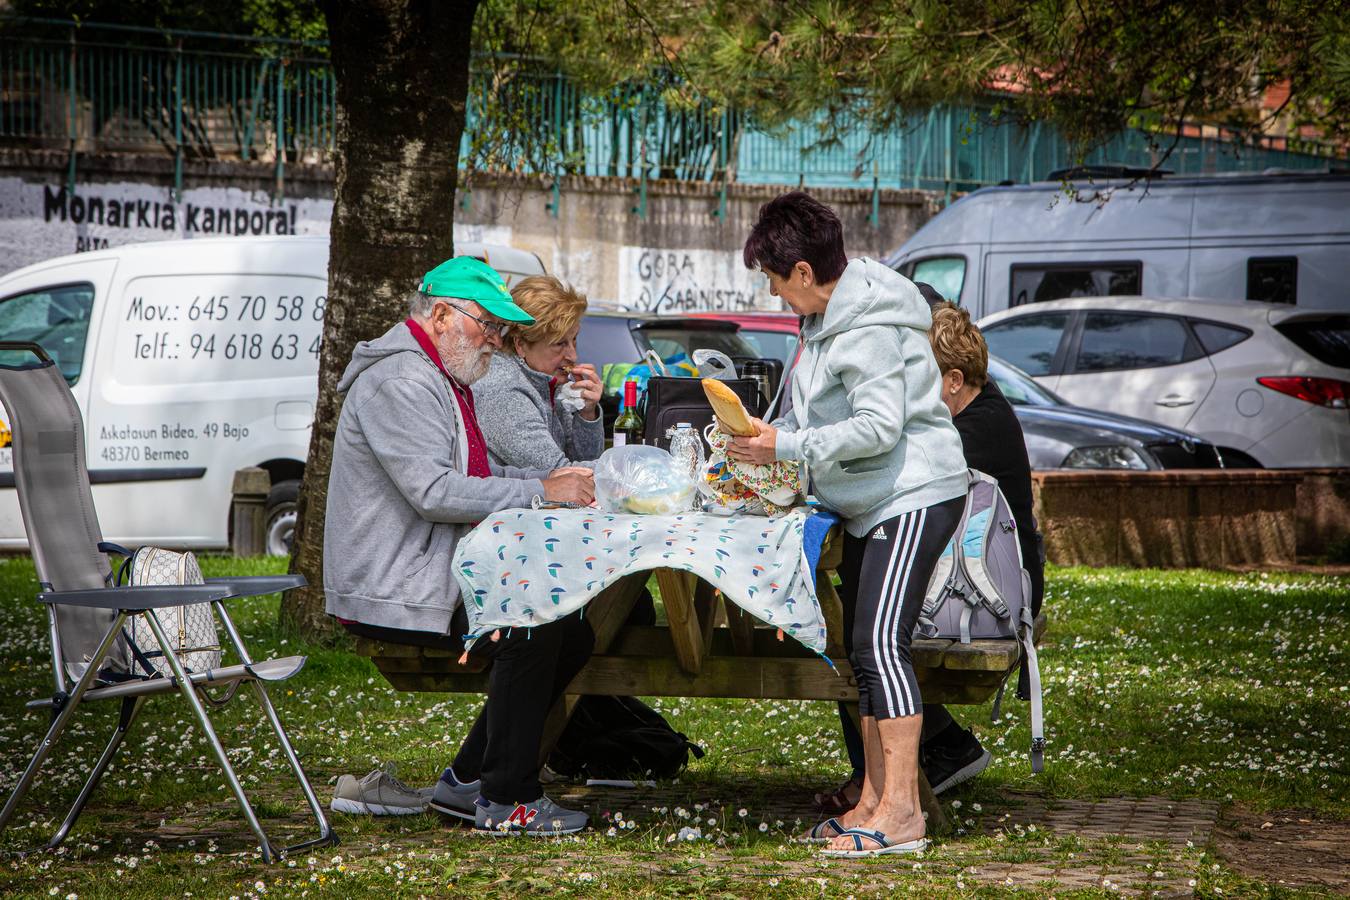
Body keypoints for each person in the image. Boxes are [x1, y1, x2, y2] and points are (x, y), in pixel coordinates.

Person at [727, 192, 968, 857]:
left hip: (912, 494)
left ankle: (902, 815)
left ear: (803, 272)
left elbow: (879, 426)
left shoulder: (863, 325)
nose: (777, 298)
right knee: (863, 656)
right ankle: (872, 799)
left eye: (777, 284)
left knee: (880, 646)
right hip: (872, 502)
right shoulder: (829, 319)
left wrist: (786, 447)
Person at [323, 256, 597, 835]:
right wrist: (538, 488)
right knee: (533, 623)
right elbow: (433, 491)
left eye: (500, 329)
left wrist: (538, 486)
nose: (496, 340)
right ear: (443, 316)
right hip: (393, 582)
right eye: (489, 326)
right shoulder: (401, 380)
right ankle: (507, 799)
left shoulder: (440, 373)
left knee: (571, 629)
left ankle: (468, 781)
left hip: (428, 565)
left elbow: (472, 467)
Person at [824, 296, 1047, 805]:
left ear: (951, 380)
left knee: (862, 622)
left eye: (920, 378)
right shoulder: (975, 412)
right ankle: (944, 747)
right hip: (968, 579)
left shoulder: (970, 430)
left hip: (984, 594)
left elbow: (896, 481)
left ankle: (886, 779)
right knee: (857, 607)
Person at [473, 275, 605, 469]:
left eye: (574, 339)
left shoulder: (546, 380)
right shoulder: (503, 390)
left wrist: (587, 413)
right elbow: (561, 474)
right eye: (560, 343)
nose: (573, 356)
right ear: (521, 345)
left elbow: (583, 458)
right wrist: (622, 469)